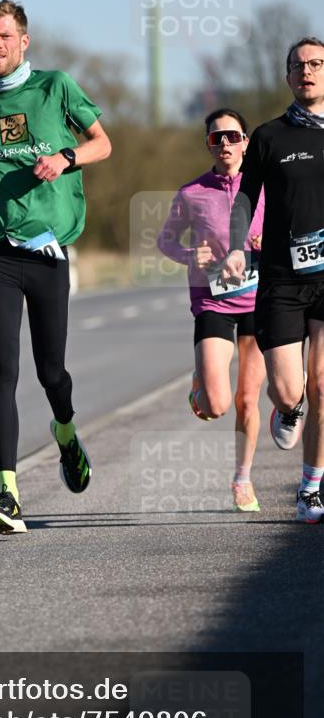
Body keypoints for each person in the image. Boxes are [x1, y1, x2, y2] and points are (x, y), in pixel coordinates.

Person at [0, 0, 112, 534]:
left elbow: (102, 144)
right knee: (4, 368)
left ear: (24, 41)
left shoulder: (55, 87)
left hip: (46, 251)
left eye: (4, 35)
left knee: (51, 372)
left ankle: (65, 431)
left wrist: (65, 159)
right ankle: (9, 494)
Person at [223, 38, 324, 524]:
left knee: (323, 383)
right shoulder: (268, 137)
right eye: (298, 66)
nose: (307, 72)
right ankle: (289, 407)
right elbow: (244, 199)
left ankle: (310, 488)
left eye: (316, 64)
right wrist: (238, 246)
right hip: (282, 278)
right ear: (287, 76)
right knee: (290, 390)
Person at [158, 109, 266, 511]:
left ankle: (242, 479)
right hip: (212, 302)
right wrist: (189, 253)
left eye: (233, 137)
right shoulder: (192, 193)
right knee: (216, 405)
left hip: (259, 301)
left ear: (246, 142)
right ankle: (199, 385)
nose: (225, 144)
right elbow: (165, 240)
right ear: (207, 143)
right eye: (216, 138)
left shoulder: (265, 188)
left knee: (247, 401)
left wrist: (263, 242)